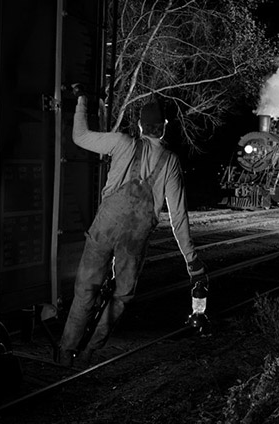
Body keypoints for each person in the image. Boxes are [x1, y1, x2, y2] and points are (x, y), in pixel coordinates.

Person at [57, 88, 206, 367]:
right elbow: (178, 218)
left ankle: (66, 351)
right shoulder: (171, 163)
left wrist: (81, 101)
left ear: (139, 125)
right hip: (135, 238)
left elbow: (79, 136)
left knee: (85, 289)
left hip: (105, 227)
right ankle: (90, 351)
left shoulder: (122, 143)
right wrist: (191, 261)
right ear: (162, 128)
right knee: (122, 295)